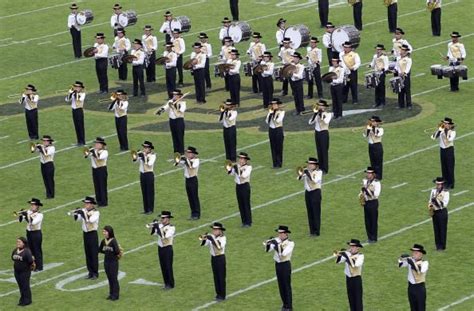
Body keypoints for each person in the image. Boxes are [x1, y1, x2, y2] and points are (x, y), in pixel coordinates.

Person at [265, 225, 294, 311]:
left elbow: (283, 254)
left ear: (285, 234)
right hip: (277, 265)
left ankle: (289, 306)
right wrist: (268, 244)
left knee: (286, 285)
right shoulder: (277, 240)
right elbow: (268, 250)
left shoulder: (290, 243)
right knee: (280, 285)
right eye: (278, 233)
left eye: (280, 233)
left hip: (285, 265)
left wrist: (276, 244)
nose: (279, 235)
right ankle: (284, 304)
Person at [72, 196, 100, 279]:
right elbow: (78, 220)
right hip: (85, 234)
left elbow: (90, 220)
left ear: (91, 204)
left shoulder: (96, 213)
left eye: (87, 203)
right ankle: (90, 272)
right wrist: (76, 213)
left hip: (93, 234)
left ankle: (95, 273)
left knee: (93, 254)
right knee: (87, 254)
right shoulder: (84, 211)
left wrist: (82, 213)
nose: (85, 205)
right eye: (85, 203)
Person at [335, 239, 364, 311]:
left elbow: (355, 265)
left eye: (353, 246)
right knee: (351, 298)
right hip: (348, 279)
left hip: (356, 280)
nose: (351, 248)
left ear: (358, 247)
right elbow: (338, 262)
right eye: (350, 246)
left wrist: (347, 255)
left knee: (358, 300)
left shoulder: (361, 256)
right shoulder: (348, 254)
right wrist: (339, 255)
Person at [200, 222, 227, 301]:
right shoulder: (212, 237)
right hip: (213, 258)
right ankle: (218, 294)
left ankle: (222, 295)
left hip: (220, 259)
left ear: (220, 231)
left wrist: (211, 238)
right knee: (215, 277)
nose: (213, 231)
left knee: (221, 277)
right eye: (213, 229)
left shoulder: (223, 238)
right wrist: (204, 238)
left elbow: (219, 246)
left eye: (215, 229)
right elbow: (203, 244)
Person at [150, 211, 176, 289]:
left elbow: (165, 236)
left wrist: (157, 227)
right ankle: (166, 283)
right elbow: (154, 233)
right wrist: (154, 226)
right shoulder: (160, 225)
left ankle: (171, 284)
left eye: (163, 218)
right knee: (163, 266)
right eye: (161, 218)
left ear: (168, 219)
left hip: (167, 249)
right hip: (160, 248)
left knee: (168, 266)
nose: (161, 219)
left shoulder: (171, 227)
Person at [398, 244, 429, 311]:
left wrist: (410, 261)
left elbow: (419, 270)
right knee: (413, 308)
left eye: (416, 253)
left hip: (419, 289)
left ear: (421, 254)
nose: (413, 254)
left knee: (421, 308)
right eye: (413, 252)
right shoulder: (411, 260)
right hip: (411, 288)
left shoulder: (425, 263)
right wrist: (401, 258)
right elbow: (400, 265)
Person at [297, 157, 323, 236]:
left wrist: (308, 174)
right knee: (310, 212)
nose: (309, 165)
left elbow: (314, 181)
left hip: (316, 193)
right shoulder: (306, 171)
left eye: (311, 164)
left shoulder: (319, 172)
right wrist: (302, 174)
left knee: (316, 212)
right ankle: (311, 231)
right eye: (309, 164)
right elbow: (298, 178)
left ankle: (317, 231)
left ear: (315, 165)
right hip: (308, 193)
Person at [156, 90, 186, 154]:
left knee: (179, 137)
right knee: (174, 136)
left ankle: (181, 152)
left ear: (179, 96)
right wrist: (161, 110)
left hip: (179, 121)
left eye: (175, 95)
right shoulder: (170, 101)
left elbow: (178, 114)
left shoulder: (183, 103)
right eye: (173, 95)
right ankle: (176, 152)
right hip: (172, 121)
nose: (173, 96)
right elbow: (166, 106)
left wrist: (173, 107)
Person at [18, 198, 44, 272]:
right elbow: (21, 220)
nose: (32, 206)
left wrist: (26, 215)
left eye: (33, 205)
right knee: (30, 250)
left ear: (37, 206)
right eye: (31, 205)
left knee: (37, 250)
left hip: (36, 233)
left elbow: (33, 222)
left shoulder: (40, 215)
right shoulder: (29, 212)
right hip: (29, 233)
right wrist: (21, 215)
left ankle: (39, 266)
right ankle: (32, 265)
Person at [227, 152, 252, 227]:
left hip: (245, 186)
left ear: (245, 160)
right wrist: (229, 168)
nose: (240, 160)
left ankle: (248, 222)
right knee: (240, 204)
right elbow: (231, 174)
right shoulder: (236, 166)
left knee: (246, 204)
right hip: (238, 186)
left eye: (242, 158)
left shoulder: (248, 167)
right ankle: (243, 221)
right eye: (239, 158)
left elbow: (244, 175)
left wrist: (236, 167)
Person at [176, 146, 201, 220]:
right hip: (187, 180)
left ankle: (196, 213)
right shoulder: (187, 160)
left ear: (193, 154)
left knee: (194, 196)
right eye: (187, 152)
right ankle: (192, 213)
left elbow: (192, 166)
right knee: (190, 197)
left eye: (189, 153)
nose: (187, 154)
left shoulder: (196, 160)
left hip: (193, 179)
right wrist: (179, 160)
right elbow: (178, 164)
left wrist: (185, 159)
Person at [431, 117, 456, 189]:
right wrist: (439, 130)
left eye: (446, 124)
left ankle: (451, 183)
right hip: (442, 150)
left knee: (450, 167)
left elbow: (449, 139)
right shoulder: (441, 130)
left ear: (449, 125)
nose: (444, 124)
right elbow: (433, 137)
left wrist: (444, 131)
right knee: (444, 166)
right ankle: (445, 181)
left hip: (449, 151)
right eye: (444, 123)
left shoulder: (452, 132)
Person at [308, 100, 332, 174]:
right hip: (317, 133)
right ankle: (320, 167)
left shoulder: (328, 114)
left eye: (321, 105)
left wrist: (321, 114)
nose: (319, 107)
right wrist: (315, 114)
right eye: (319, 105)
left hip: (324, 133)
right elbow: (310, 122)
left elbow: (326, 121)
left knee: (324, 151)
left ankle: (325, 169)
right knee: (319, 150)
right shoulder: (317, 114)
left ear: (324, 107)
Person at [99, 225, 121, 301]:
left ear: (109, 232)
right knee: (109, 278)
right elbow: (100, 250)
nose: (103, 232)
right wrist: (107, 250)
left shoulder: (113, 241)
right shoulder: (103, 241)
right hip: (106, 262)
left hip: (113, 262)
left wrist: (111, 252)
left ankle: (116, 295)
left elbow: (117, 251)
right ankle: (111, 294)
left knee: (114, 278)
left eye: (105, 231)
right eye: (103, 231)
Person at [360, 167, 381, 243]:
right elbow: (362, 191)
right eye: (367, 173)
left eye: (369, 173)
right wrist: (362, 198)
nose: (367, 175)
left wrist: (367, 190)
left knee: (373, 220)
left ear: (373, 174)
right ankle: (369, 237)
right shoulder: (365, 181)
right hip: (366, 202)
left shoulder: (376, 183)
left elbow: (376, 194)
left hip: (373, 202)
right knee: (367, 221)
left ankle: (374, 238)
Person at [134, 141, 156, 215]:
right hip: (142, 174)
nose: (144, 149)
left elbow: (149, 164)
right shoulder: (142, 155)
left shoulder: (153, 155)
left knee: (150, 192)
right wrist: (136, 156)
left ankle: (150, 209)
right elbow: (135, 161)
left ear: (149, 149)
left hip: (149, 174)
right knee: (144, 192)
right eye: (144, 147)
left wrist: (143, 156)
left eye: (146, 148)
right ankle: (146, 209)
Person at [86, 137, 109, 207]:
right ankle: (99, 201)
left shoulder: (105, 152)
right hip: (94, 170)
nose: (96, 144)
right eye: (95, 143)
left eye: (97, 143)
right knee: (96, 185)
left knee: (102, 186)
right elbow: (87, 155)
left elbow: (99, 158)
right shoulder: (94, 151)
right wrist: (88, 153)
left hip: (101, 170)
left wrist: (92, 151)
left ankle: (104, 202)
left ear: (101, 145)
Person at [428, 177, 449, 251]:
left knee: (442, 229)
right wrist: (430, 208)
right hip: (435, 212)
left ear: (442, 184)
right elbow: (430, 200)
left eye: (439, 184)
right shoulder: (433, 191)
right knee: (436, 229)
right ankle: (438, 245)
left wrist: (436, 201)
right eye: (437, 184)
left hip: (442, 212)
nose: (437, 185)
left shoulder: (446, 192)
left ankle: (442, 246)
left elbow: (444, 204)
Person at [12, 237, 33, 306]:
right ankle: (22, 300)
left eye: (19, 242)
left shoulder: (27, 251)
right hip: (17, 272)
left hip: (25, 272)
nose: (18, 243)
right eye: (17, 242)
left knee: (25, 286)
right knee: (20, 286)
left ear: (23, 243)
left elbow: (30, 261)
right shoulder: (15, 250)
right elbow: (12, 257)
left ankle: (27, 300)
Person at [266, 98, 285, 168]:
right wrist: (270, 114)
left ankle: (279, 163)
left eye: (274, 104)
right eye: (272, 104)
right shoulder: (270, 112)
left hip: (278, 130)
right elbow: (266, 121)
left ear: (278, 105)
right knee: (273, 147)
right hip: (271, 130)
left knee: (279, 147)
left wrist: (273, 114)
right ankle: (274, 163)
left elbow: (278, 120)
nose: (273, 106)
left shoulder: (282, 112)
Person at [65, 81, 86, 145]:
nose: (75, 88)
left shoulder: (83, 94)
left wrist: (75, 92)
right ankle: (78, 141)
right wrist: (70, 93)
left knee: (80, 126)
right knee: (76, 125)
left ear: (80, 88)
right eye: (75, 87)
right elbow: (67, 99)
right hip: (74, 110)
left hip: (79, 110)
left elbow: (79, 99)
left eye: (77, 87)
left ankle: (82, 141)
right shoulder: (73, 93)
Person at [395, 44, 412, 109]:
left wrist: (404, 73)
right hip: (399, 76)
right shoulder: (398, 58)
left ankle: (409, 105)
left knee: (407, 90)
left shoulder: (408, 59)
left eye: (403, 50)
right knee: (400, 90)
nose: (401, 51)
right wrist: (394, 70)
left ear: (405, 51)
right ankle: (401, 104)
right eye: (401, 49)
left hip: (406, 76)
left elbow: (408, 68)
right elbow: (397, 67)